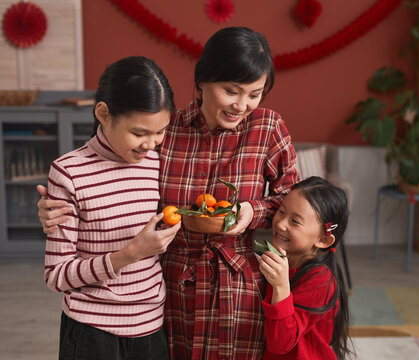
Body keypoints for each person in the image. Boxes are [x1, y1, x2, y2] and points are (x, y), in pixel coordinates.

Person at [37, 27, 299, 359]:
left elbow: (293, 201)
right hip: (171, 287)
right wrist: (56, 207)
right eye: (232, 91)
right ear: (202, 80)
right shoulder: (165, 130)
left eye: (255, 94)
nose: (241, 105)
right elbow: (110, 174)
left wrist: (252, 211)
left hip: (235, 289)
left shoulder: (268, 129)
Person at [41, 56, 180, 360]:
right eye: (139, 133)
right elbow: (56, 276)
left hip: (151, 326)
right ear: (104, 113)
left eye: (160, 132)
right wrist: (129, 254)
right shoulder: (68, 172)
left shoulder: (160, 162)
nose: (151, 144)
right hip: (91, 332)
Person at [258, 176, 351, 360]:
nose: (281, 223)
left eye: (295, 221)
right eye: (282, 212)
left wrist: (281, 287)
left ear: (323, 239)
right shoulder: (283, 261)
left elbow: (281, 342)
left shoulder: (321, 281)